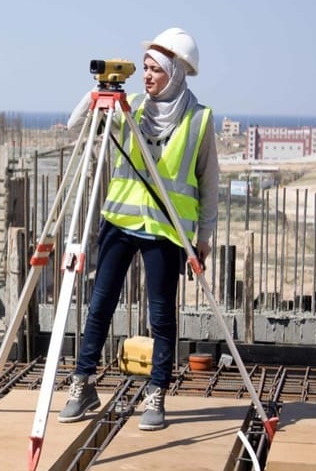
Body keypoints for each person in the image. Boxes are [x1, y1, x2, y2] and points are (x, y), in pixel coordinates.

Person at [57, 27, 219, 430]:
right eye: (144, 68)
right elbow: (75, 127)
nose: (147, 76)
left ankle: (157, 392)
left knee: (161, 316)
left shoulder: (199, 121)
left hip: (165, 230)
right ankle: (83, 382)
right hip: (120, 220)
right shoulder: (131, 108)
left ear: (176, 73)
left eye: (155, 70)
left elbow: (209, 182)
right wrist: (99, 92)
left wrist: (204, 239)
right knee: (100, 305)